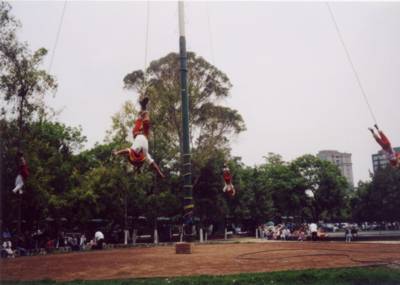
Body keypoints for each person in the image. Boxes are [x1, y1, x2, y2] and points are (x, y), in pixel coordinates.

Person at [113, 95, 165, 178]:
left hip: (136, 133)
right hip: (144, 134)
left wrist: (116, 153)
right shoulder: (145, 155)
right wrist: (159, 173)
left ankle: (143, 106)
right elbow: (153, 164)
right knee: (146, 121)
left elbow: (126, 151)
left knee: (141, 118)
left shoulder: (134, 151)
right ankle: (143, 106)